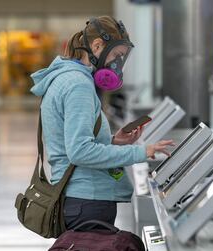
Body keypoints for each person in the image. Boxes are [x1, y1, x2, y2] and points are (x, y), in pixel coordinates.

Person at [30, 16, 174, 230]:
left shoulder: (65, 78)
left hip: (78, 199)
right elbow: (80, 151)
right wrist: (142, 152)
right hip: (87, 201)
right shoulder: (79, 85)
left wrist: (114, 141)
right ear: (97, 45)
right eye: (116, 55)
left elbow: (75, 142)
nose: (117, 64)